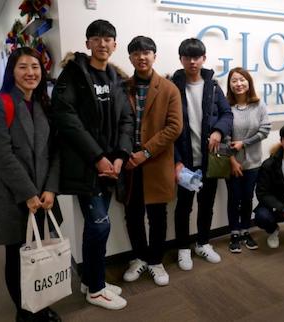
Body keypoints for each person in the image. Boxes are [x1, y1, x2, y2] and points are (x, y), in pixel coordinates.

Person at [51, 20, 133, 310]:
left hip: (112, 167)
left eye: (108, 38)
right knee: (99, 226)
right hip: (86, 166)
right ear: (87, 43)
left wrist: (121, 155)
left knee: (97, 226)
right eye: (96, 38)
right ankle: (96, 290)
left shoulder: (116, 77)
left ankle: (90, 279)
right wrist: (98, 156)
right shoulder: (72, 75)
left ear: (114, 44)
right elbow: (66, 118)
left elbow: (126, 119)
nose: (102, 43)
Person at [0, 47, 62, 322]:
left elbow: (54, 152)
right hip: (11, 193)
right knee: (18, 256)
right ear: (11, 71)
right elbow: (1, 154)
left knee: (40, 253)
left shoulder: (44, 104)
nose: (30, 73)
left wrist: (50, 188)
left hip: (43, 194)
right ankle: (25, 312)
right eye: (23, 67)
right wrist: (28, 193)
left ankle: (41, 303)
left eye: (35, 67)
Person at [121, 36, 182, 286]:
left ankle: (156, 260)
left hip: (155, 160)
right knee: (132, 214)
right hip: (128, 163)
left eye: (147, 52)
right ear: (130, 58)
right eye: (136, 53)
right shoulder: (123, 87)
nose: (142, 57)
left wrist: (145, 152)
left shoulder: (168, 88)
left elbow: (175, 127)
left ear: (154, 56)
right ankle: (139, 257)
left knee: (157, 215)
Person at [172, 38, 233, 270]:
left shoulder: (214, 86)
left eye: (196, 57)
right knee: (184, 207)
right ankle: (183, 249)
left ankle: (203, 243)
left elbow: (227, 114)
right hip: (185, 159)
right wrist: (176, 160)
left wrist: (218, 131)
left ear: (204, 59)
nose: (192, 61)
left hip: (209, 159)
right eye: (187, 57)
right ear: (181, 60)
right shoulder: (173, 86)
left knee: (206, 204)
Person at [225, 67, 271, 253]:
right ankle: (234, 233)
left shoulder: (258, 104)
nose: (238, 84)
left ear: (248, 82)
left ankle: (245, 230)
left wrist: (244, 143)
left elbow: (265, 130)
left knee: (247, 198)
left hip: (253, 163)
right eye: (234, 80)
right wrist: (232, 160)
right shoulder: (225, 107)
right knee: (233, 199)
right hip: (232, 164)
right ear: (229, 84)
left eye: (242, 80)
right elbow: (224, 137)